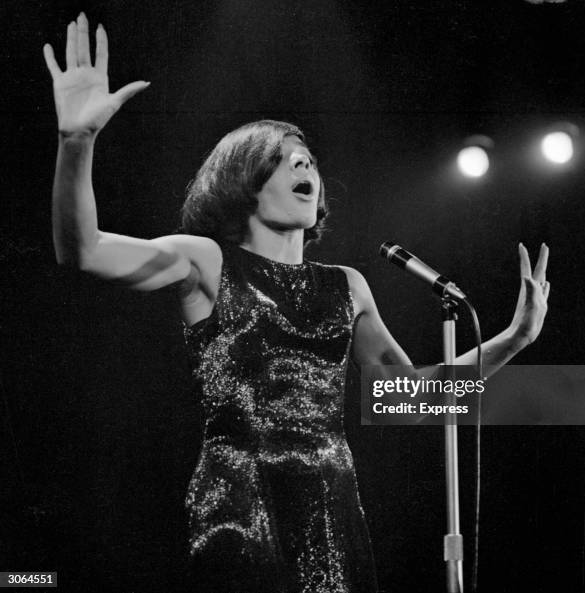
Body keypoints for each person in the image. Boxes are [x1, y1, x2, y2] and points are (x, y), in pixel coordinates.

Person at [43, 13, 550, 593]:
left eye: (308, 157)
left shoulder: (347, 285)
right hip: (241, 500)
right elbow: (83, 250)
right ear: (244, 178)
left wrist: (515, 337)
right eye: (285, 157)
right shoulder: (206, 260)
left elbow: (412, 400)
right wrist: (76, 142)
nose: (305, 163)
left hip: (331, 505)